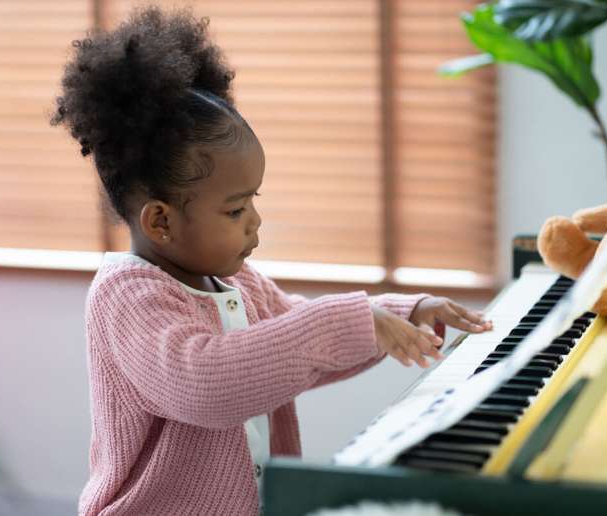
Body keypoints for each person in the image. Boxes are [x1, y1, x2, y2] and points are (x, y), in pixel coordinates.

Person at [51, 6, 492, 515]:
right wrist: (351, 321)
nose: (255, 221)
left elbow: (298, 344)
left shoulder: (237, 284)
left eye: (253, 200)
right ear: (161, 222)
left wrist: (398, 315)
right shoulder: (127, 297)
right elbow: (207, 382)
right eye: (236, 208)